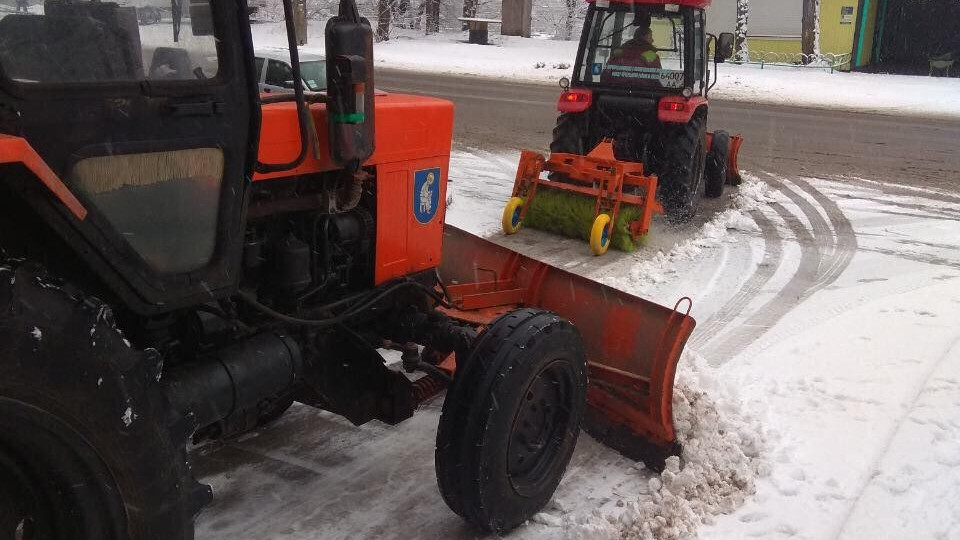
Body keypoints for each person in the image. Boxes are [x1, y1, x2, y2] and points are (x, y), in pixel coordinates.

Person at [600, 14, 662, 85]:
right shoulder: (651, 55)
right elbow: (658, 79)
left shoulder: (619, 52)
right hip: (644, 94)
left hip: (614, 92)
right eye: (650, 37)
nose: (652, 40)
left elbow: (605, 76)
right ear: (643, 37)